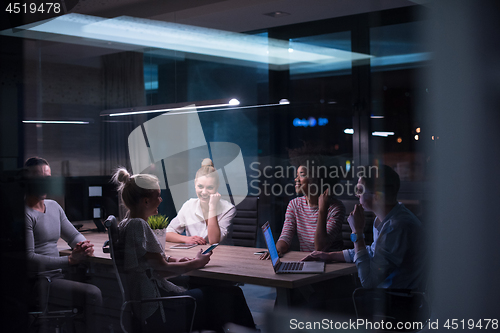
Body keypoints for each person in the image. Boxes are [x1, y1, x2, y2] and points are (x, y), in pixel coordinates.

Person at [112, 167, 256, 332]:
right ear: (146, 201)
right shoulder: (139, 225)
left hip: (148, 302)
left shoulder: (126, 223)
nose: (160, 200)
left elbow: (149, 263)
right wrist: (196, 263)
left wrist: (174, 260)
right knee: (230, 295)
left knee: (222, 296)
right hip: (158, 306)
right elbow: (161, 270)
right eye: (158, 196)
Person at [302, 165, 425, 290]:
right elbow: (372, 252)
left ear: (377, 196)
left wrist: (357, 233)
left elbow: (368, 281)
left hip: (394, 302)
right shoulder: (386, 218)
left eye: (360, 190)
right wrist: (327, 255)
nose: (356, 194)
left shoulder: (396, 227)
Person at [24, 157, 102, 333]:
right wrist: (69, 261)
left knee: (96, 284)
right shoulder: (25, 214)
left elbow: (73, 234)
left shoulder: (53, 206)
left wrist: (84, 245)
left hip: (58, 276)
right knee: (93, 293)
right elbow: (28, 258)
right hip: (40, 282)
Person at [260, 153, 345, 260]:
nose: (296, 179)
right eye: (297, 175)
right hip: (306, 262)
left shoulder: (335, 208)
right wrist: (276, 251)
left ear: (317, 178)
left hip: (332, 266)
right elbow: (285, 237)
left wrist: (322, 210)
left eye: (302, 174)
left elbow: (320, 248)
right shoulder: (294, 205)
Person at [166, 158, 235, 245]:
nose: (204, 192)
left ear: (217, 186)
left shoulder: (228, 209)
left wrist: (212, 207)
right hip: (194, 255)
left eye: (210, 187)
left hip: (221, 255)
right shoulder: (189, 205)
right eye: (200, 186)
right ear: (195, 184)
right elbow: (167, 233)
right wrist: (186, 239)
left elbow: (214, 241)